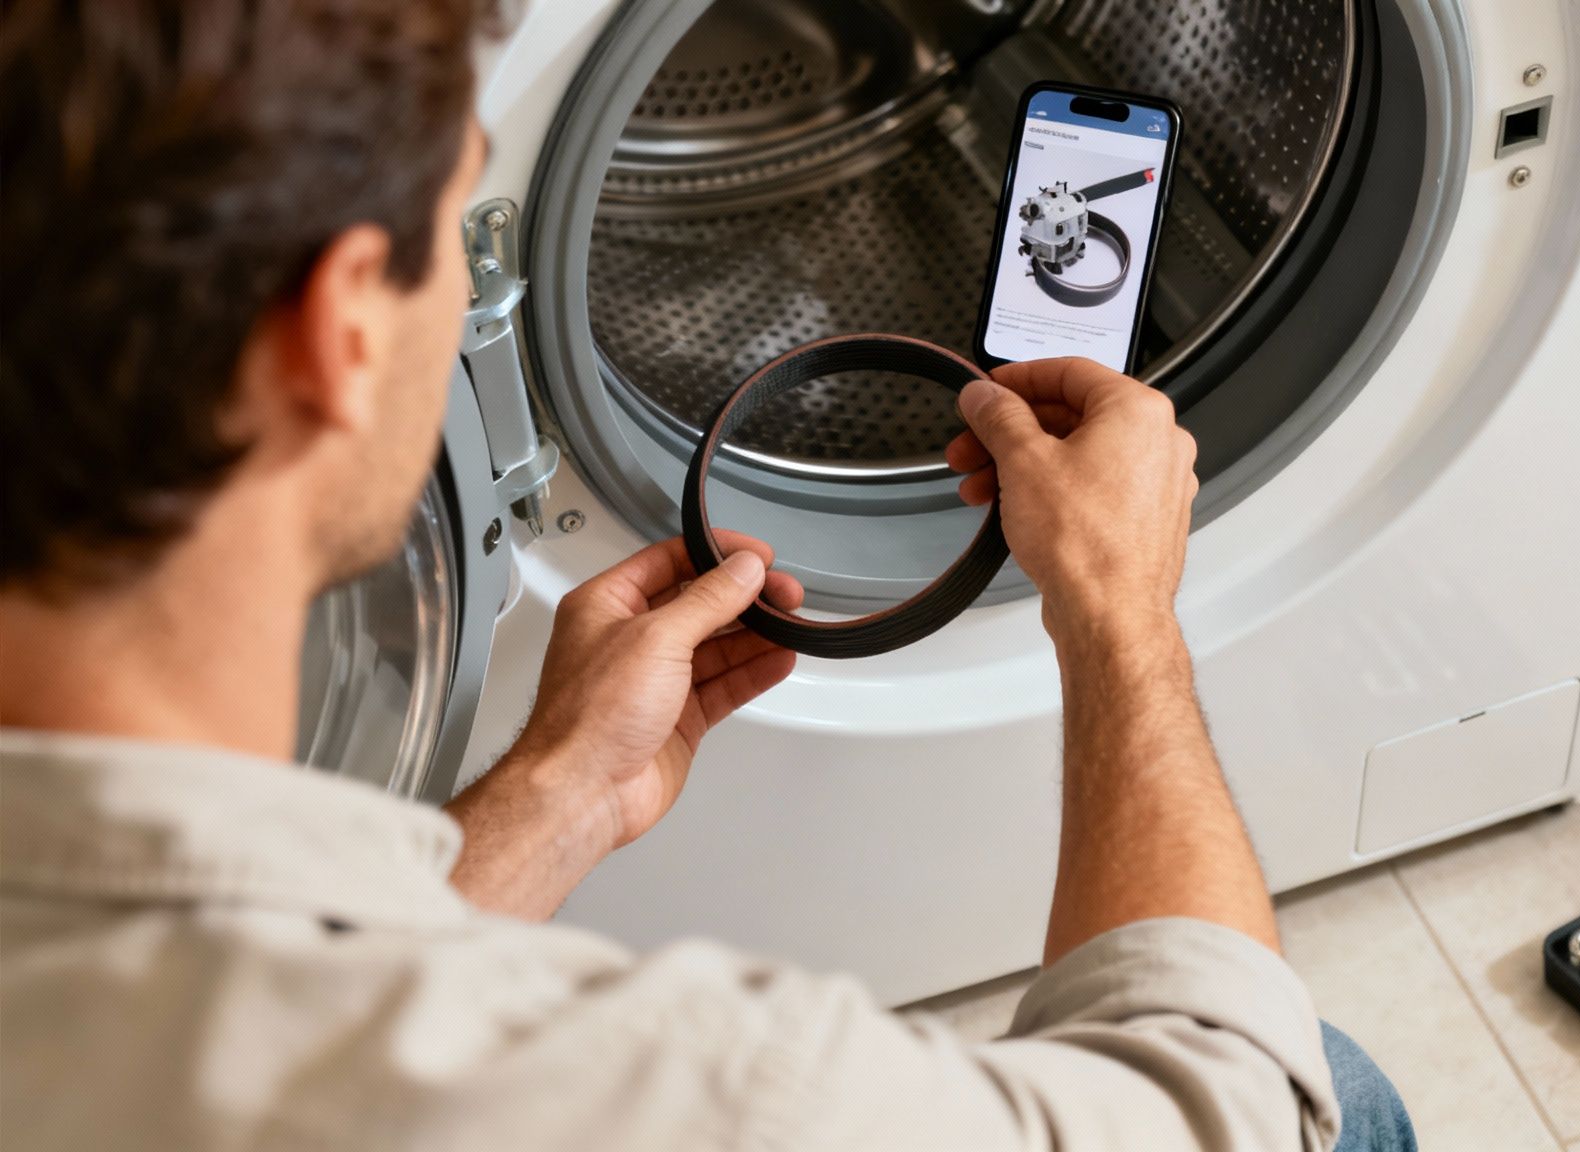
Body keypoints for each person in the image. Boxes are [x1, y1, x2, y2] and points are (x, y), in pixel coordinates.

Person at [0, 3, 1415, 1149]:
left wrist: (554, 794)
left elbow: (291, 1014)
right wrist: (1120, 612)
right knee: (1333, 1091)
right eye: (451, 225)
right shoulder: (685, 1092)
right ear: (337, 331)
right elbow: (1223, 1106)